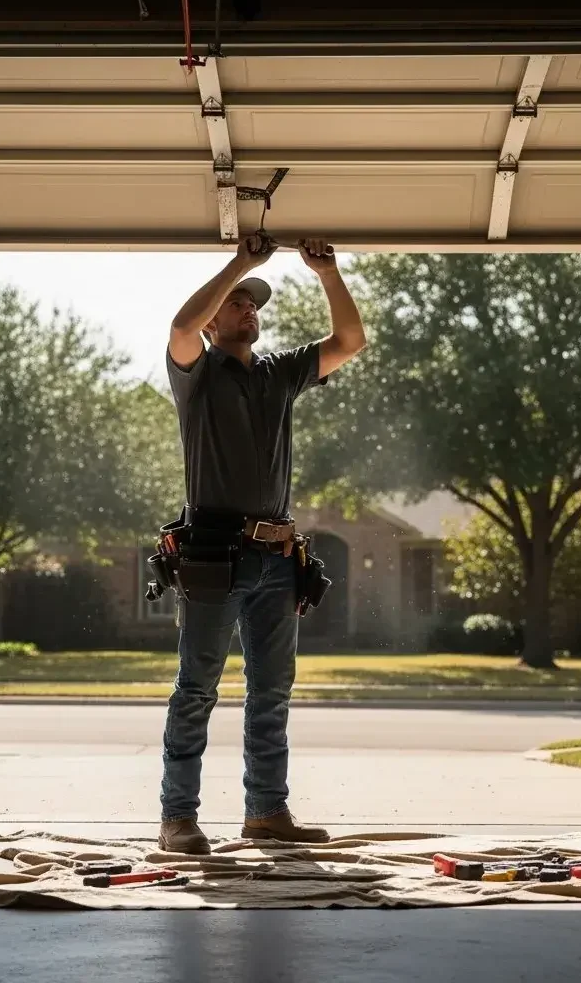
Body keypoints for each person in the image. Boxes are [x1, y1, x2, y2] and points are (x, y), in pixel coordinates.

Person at [159, 235, 366, 855]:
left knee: (271, 691)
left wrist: (327, 273)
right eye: (237, 304)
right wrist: (242, 265)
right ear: (216, 315)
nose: (249, 311)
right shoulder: (195, 375)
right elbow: (178, 326)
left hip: (279, 560)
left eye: (254, 306)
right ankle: (177, 817)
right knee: (197, 687)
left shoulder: (280, 373)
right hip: (214, 561)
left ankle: (266, 813)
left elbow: (349, 342)